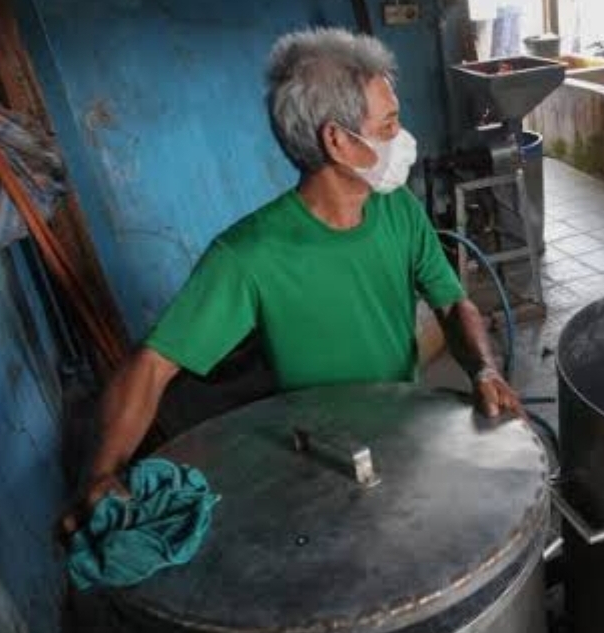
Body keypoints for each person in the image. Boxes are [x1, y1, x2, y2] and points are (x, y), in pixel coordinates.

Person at [61, 27, 522, 533]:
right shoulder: (249, 255)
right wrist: (101, 474)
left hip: (402, 427)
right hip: (315, 459)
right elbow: (152, 365)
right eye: (389, 125)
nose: (402, 137)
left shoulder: (400, 211)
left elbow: (452, 302)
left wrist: (483, 368)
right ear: (339, 141)